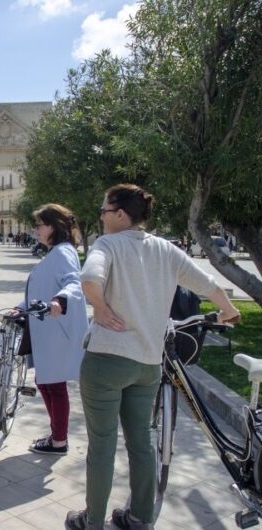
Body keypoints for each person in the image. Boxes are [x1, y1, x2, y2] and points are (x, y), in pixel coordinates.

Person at [65, 184, 241, 530]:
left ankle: (93, 521)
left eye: (103, 211)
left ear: (119, 214)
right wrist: (229, 309)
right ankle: (140, 517)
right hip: (147, 364)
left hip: (106, 360)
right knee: (142, 443)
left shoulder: (108, 244)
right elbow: (207, 284)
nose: (100, 217)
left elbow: (89, 278)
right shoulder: (166, 249)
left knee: (102, 444)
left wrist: (100, 308)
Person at [18, 204, 88, 455]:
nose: (35, 229)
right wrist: (20, 308)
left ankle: (59, 440)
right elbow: (41, 290)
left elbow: (73, 282)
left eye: (39, 225)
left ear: (54, 226)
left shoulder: (63, 252)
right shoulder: (56, 252)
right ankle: (56, 435)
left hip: (57, 332)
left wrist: (61, 300)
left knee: (53, 385)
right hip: (47, 331)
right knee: (45, 382)